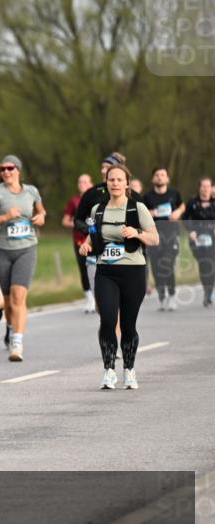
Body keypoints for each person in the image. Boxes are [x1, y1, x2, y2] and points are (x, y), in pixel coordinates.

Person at [79, 164, 159, 389]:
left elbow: (155, 238)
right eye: (111, 180)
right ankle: (108, 371)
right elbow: (93, 236)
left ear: (127, 183)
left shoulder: (137, 208)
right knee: (107, 318)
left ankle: (129, 370)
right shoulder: (98, 210)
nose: (114, 183)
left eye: (118, 180)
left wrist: (137, 233)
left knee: (128, 324)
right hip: (106, 271)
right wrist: (86, 245)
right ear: (106, 182)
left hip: (133, 271)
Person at [0, 155, 47, 362]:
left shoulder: (31, 191)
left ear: (18, 170)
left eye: (10, 168)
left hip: (26, 248)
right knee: (7, 303)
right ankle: (10, 327)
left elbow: (41, 210)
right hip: (2, 250)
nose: (6, 172)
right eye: (3, 170)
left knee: (19, 297)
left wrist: (41, 216)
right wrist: (5, 217)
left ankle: (17, 342)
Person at [74, 153, 127, 300]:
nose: (103, 171)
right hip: (95, 255)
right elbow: (77, 220)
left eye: (107, 167)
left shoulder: (130, 194)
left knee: (119, 301)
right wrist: (91, 230)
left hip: (122, 255)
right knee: (101, 304)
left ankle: (118, 323)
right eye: (102, 167)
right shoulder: (91, 194)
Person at [142, 167, 186, 310]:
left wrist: (177, 213)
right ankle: (162, 296)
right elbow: (141, 213)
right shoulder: (147, 197)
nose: (160, 177)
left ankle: (172, 295)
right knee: (156, 268)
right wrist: (151, 213)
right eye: (157, 175)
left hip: (171, 235)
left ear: (167, 178)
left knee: (167, 265)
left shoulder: (174, 194)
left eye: (162, 175)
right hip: (153, 236)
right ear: (153, 179)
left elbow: (182, 206)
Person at [63, 173, 97, 313]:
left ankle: (98, 297)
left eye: (85, 182)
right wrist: (78, 224)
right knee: (84, 269)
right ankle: (89, 299)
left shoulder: (97, 198)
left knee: (96, 268)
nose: (82, 184)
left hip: (96, 239)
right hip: (79, 240)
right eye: (79, 182)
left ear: (91, 184)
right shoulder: (74, 201)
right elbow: (65, 220)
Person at [184, 176, 215, 307]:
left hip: (212, 238)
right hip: (197, 239)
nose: (205, 189)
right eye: (203, 186)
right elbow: (185, 218)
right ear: (199, 188)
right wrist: (191, 230)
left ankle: (210, 293)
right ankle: (207, 291)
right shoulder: (192, 202)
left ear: (212, 188)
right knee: (204, 266)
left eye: (208, 186)